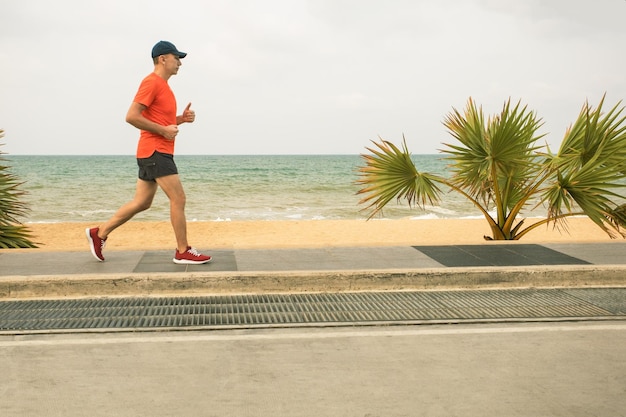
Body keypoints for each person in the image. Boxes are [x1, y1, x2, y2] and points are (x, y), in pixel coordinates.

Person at [86, 40, 211, 265]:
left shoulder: (164, 87)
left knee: (142, 202)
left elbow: (160, 121)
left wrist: (180, 120)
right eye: (176, 57)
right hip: (156, 151)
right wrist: (164, 130)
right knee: (178, 198)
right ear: (163, 59)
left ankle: (100, 233)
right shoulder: (151, 82)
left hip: (151, 151)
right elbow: (132, 116)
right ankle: (182, 251)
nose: (180, 63)